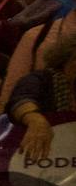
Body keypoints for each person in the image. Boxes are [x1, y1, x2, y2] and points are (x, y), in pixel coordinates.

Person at [7, 32, 76, 163]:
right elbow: (21, 98)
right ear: (65, 60)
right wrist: (36, 121)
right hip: (43, 158)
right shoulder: (41, 79)